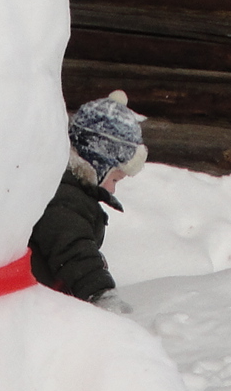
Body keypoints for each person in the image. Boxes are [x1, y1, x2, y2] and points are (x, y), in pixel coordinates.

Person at [28, 90, 146, 309]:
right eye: (115, 179)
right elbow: (74, 250)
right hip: (29, 303)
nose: (113, 189)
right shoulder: (63, 196)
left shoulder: (69, 190)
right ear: (98, 164)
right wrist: (100, 293)